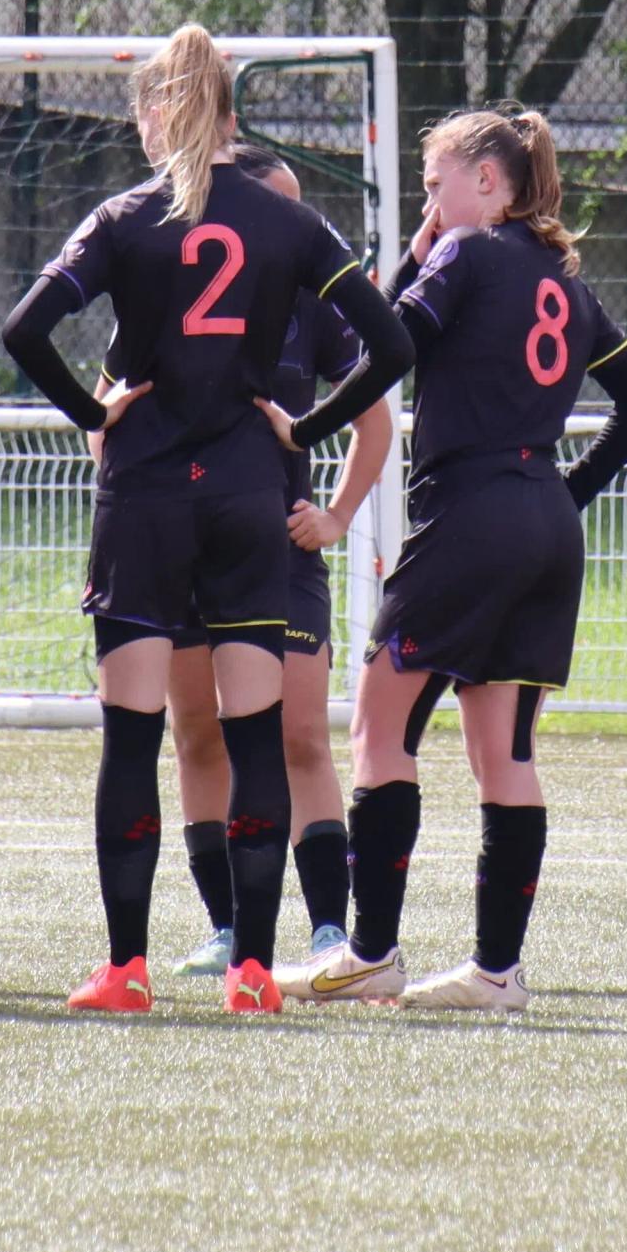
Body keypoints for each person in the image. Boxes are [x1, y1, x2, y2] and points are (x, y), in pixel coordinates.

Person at [3, 25, 414, 1014]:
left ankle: (125, 967)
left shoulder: (124, 215)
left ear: (157, 112)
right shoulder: (286, 222)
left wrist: (94, 411)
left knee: (133, 737)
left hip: (143, 494)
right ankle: (254, 971)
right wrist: (301, 423)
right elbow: (392, 342)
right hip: (247, 495)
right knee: (260, 734)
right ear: (233, 113)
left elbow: (24, 329)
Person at [297, 107, 627, 1012]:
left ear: (489, 182)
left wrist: (304, 429)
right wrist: (556, 496)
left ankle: (373, 952)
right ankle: (497, 971)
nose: (430, 203)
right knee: (503, 755)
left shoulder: (465, 255)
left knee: (379, 733)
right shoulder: (567, 282)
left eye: (436, 185)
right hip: (543, 519)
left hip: (470, 516)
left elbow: (385, 343)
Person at [165, 146, 396, 982]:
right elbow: (107, 405)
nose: (306, 228)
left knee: (299, 735)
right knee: (198, 735)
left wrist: (333, 515)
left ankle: (329, 929)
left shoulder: (315, 306)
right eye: (287, 209)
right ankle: (227, 926)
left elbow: (375, 421)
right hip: (184, 546)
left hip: (280, 551)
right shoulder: (172, 284)